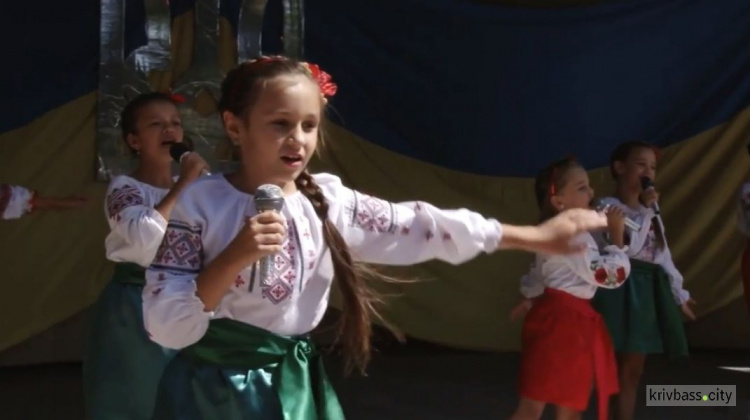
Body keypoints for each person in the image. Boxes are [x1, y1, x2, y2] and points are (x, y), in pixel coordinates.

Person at [143, 56, 609, 420]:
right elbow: (166, 324)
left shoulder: (327, 201)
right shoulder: (200, 204)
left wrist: (532, 236)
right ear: (233, 126)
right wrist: (233, 258)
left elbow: (422, 225)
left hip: (292, 386)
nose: (298, 140)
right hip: (214, 393)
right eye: (280, 124)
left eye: (309, 125)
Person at [82, 92, 209, 419]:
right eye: (156, 125)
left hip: (187, 301)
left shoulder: (200, 188)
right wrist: (183, 187)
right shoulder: (126, 188)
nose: (169, 131)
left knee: (189, 398)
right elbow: (141, 240)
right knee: (137, 397)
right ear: (134, 140)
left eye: (175, 124)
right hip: (134, 307)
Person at [509, 157, 630, 420]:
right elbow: (608, 276)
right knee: (547, 405)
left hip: (562, 321)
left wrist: (530, 299)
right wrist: (617, 238)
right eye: (581, 187)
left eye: (588, 186)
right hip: (565, 326)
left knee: (553, 403)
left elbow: (541, 274)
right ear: (558, 201)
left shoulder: (558, 231)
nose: (591, 192)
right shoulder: (572, 235)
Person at [591, 141, 693, 420]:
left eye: (652, 167)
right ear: (619, 167)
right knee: (610, 367)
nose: (648, 172)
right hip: (617, 288)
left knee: (633, 370)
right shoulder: (607, 206)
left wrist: (679, 293)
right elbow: (631, 247)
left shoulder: (652, 213)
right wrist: (648, 211)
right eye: (640, 164)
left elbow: (662, 255)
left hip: (645, 290)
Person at [0, 184, 85, 219]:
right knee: (51, 204)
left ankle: (73, 202)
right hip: (18, 200)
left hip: (18, 202)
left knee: (50, 204)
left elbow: (6, 191)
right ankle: (75, 202)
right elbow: (7, 191)